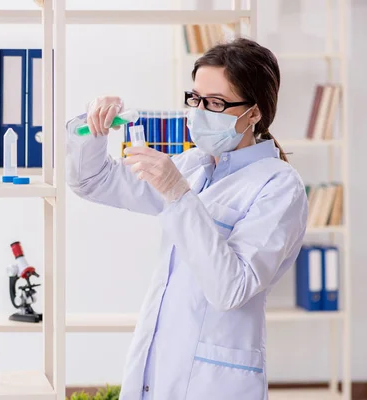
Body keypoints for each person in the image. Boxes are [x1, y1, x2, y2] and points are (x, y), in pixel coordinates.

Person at [65, 38, 308, 400]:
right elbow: (91, 182)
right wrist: (93, 127)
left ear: (254, 112)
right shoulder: (192, 166)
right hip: (158, 368)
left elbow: (232, 289)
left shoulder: (279, 186)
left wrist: (178, 195)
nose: (199, 112)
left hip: (215, 382)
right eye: (195, 98)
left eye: (215, 103)